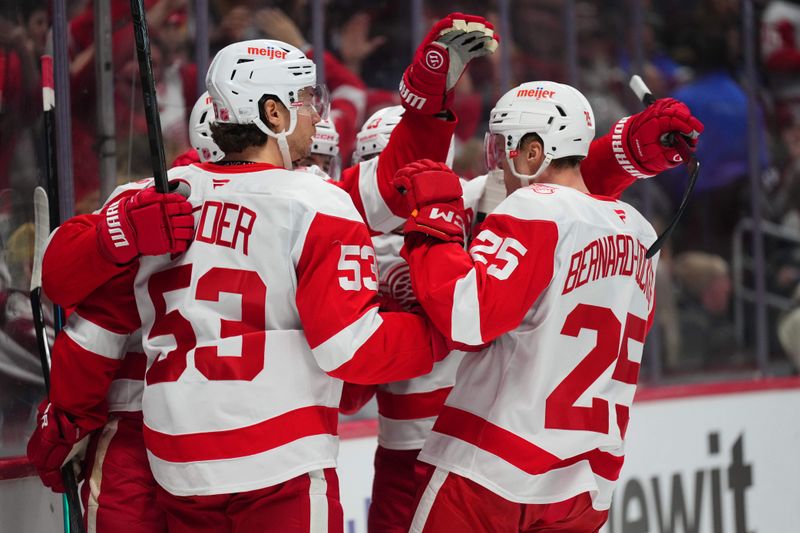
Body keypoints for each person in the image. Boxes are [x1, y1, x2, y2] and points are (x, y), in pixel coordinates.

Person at [395, 81, 698, 532]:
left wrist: (432, 226)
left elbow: (467, 315)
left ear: (533, 152)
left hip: (492, 469)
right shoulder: (638, 229)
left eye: (503, 148)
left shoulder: (535, 207)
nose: (498, 166)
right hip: (584, 483)